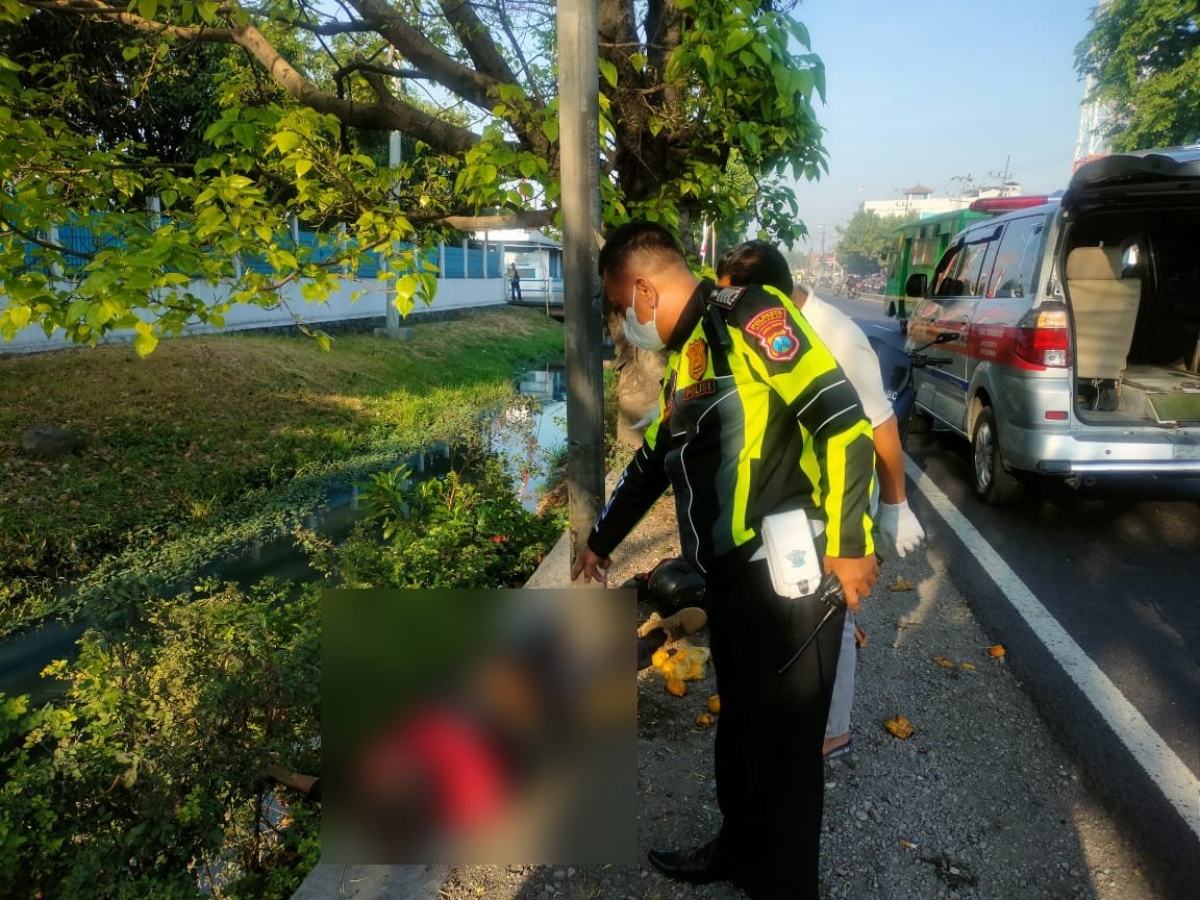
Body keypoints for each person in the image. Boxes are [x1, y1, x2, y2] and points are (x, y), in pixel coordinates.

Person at [571, 221, 879, 900]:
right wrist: (602, 540)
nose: (626, 321)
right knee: (740, 727)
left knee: (786, 757)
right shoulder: (688, 357)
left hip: (793, 582)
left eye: (623, 307)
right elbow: (654, 460)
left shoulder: (754, 319)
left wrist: (852, 544)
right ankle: (736, 851)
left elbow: (842, 419)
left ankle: (784, 887)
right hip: (733, 580)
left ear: (646, 290)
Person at [715, 239, 927, 761]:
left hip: (845, 498)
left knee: (840, 607)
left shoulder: (835, 335)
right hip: (805, 496)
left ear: (765, 295)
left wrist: (895, 509)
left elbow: (881, 428)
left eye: (737, 300)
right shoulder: (771, 328)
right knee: (812, 607)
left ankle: (832, 730)